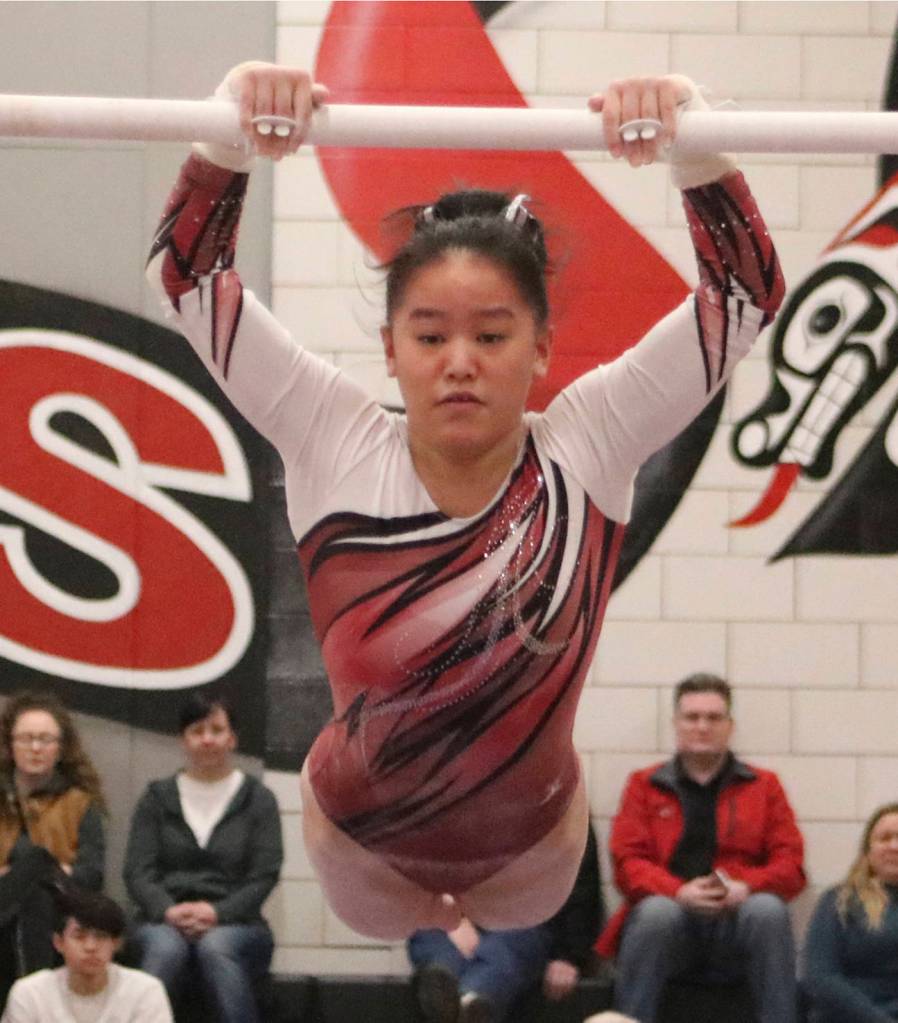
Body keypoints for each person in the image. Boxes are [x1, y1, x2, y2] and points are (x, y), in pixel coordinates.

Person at [146, 61, 784, 940]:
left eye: (492, 334)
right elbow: (189, 282)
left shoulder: (588, 442)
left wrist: (694, 135)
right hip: (361, 844)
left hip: (530, 851)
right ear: (390, 346)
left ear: (544, 347)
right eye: (430, 333)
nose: (459, 360)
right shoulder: (335, 434)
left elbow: (743, 297)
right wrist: (230, 126)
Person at [597, 673, 805, 1023]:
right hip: (670, 925)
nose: (702, 726)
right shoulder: (643, 785)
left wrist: (746, 887)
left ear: (729, 726)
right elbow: (628, 863)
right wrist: (678, 891)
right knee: (656, 913)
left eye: (713, 718)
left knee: (768, 911)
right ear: (677, 724)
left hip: (739, 923)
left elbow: (791, 866)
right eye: (692, 717)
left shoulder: (764, 786)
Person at [123, 695, 282, 1023]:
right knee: (165, 949)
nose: (207, 738)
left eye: (216, 729)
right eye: (197, 730)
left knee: (216, 947)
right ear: (183, 739)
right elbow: (137, 872)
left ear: (232, 738)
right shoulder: (156, 798)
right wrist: (168, 910)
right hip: (161, 919)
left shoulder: (258, 800)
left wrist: (217, 912)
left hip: (240, 924)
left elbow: (264, 875)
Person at [408, 824, 603, 1022]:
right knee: (432, 941)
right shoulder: (445, 801)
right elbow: (424, 866)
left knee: (510, 948)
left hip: (521, 924)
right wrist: (455, 919)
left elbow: (580, 882)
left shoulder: (558, 804)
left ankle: (463, 1000)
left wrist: (570, 955)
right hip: (453, 919)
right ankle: (466, 1001)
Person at [0, 692, 105, 1002]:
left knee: (38, 866)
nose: (35, 748)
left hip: (63, 908)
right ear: (10, 745)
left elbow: (91, 875)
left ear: (60, 748)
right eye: (26, 738)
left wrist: (26, 871)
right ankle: (34, 1008)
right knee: (35, 880)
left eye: (45, 740)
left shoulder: (80, 803)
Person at [1, 887, 172, 1023]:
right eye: (79, 936)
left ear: (116, 943)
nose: (90, 947)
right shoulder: (30, 994)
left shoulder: (145, 992)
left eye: (101, 937)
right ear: (58, 942)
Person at [803, 802, 898, 1022]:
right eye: (884, 838)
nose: (894, 846)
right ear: (868, 851)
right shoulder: (838, 900)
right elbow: (821, 978)